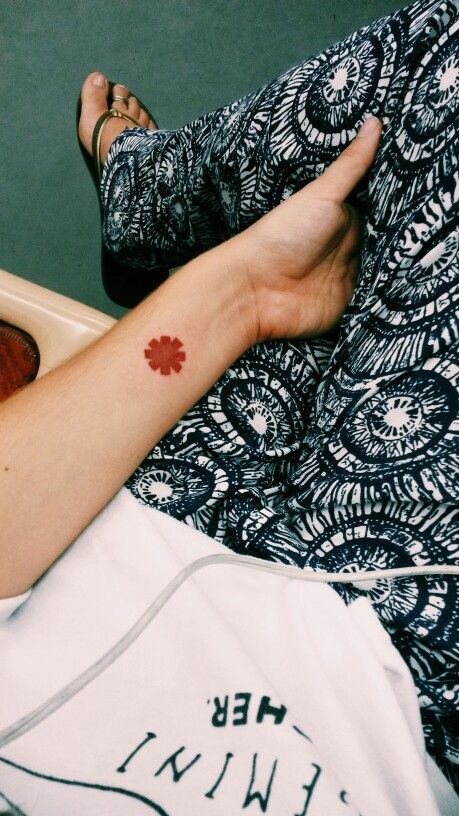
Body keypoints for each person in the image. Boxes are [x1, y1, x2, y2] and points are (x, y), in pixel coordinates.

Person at [0, 0, 457, 811]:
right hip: (410, 693)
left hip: (135, 528)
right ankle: (147, 187)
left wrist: (238, 290)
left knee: (331, 248)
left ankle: (141, 189)